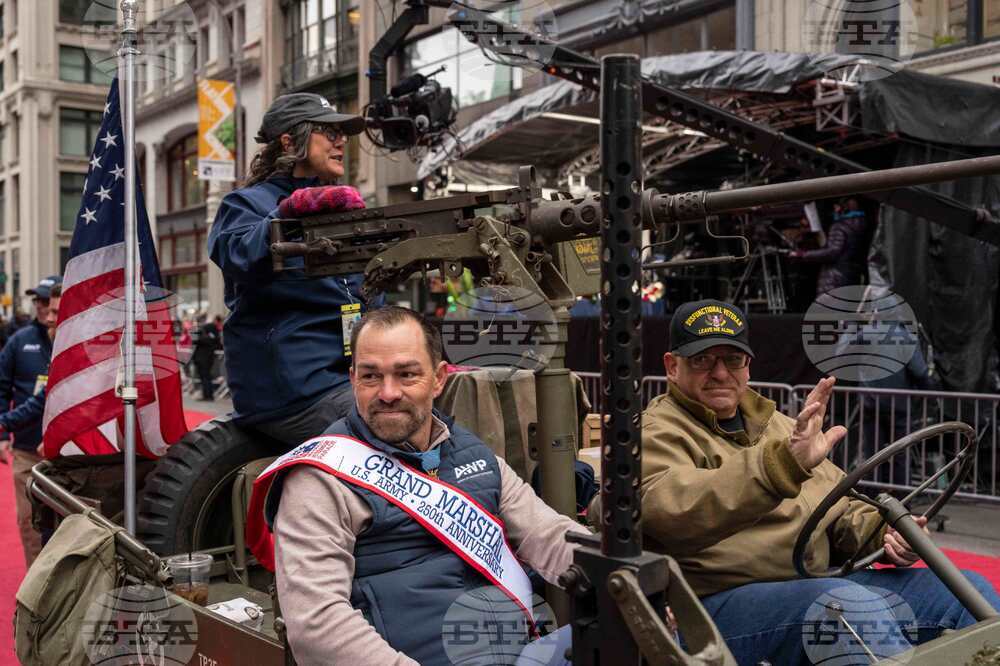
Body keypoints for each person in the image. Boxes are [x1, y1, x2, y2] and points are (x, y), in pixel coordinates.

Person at [612, 299, 1000, 664]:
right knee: (845, 609)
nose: (720, 373)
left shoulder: (779, 425)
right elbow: (671, 511)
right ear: (671, 366)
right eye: (701, 360)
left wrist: (884, 532)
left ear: (747, 365)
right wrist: (779, 466)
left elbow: (839, 505)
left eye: (732, 359)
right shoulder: (653, 433)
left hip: (812, 584)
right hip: (713, 604)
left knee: (965, 590)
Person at [248, 306, 586, 665]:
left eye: (406, 374)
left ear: (439, 378)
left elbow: (549, 535)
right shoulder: (320, 479)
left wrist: (618, 570)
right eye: (371, 377)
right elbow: (317, 625)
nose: (388, 393)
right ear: (353, 379)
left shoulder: (475, 455)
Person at [208, 92, 377, 449]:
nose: (341, 140)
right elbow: (236, 253)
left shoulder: (335, 203)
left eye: (342, 133)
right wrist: (289, 213)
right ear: (290, 140)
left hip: (346, 375)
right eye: (328, 132)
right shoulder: (246, 203)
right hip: (291, 390)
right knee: (399, 426)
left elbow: (366, 291)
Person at [0, 277, 61, 566]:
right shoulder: (18, 341)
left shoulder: (72, 342)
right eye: (37, 301)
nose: (42, 307)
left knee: (67, 528)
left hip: (67, 454)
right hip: (26, 451)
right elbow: (1, 388)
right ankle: (37, 598)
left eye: (47, 301)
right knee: (29, 524)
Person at [790, 197, 873, 295]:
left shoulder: (839, 226)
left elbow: (833, 251)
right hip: (853, 275)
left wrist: (804, 254)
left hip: (834, 278)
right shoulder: (864, 224)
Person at [190, 314, 222, 401]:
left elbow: (194, 342)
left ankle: (208, 396)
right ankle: (208, 395)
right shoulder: (208, 336)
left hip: (202, 358)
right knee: (206, 376)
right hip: (207, 358)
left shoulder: (200, 334)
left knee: (205, 377)